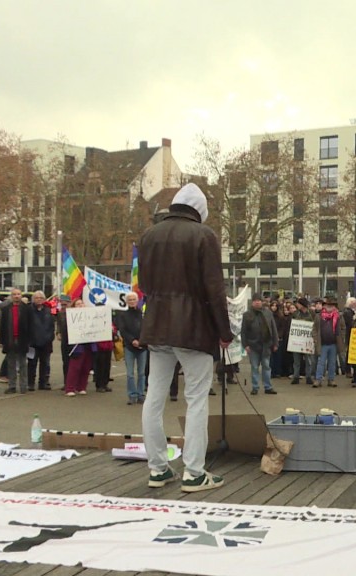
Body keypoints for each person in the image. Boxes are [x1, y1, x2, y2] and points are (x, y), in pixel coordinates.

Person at [139, 183, 233, 493]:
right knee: (196, 400)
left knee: (154, 397)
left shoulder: (149, 235)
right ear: (200, 212)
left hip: (157, 325)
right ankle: (194, 471)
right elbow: (214, 290)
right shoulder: (203, 236)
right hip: (193, 330)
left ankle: (157, 468)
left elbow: (145, 284)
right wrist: (224, 332)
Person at [241, 293, 279, 395]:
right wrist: (245, 345)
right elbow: (243, 331)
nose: (257, 302)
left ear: (262, 302)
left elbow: (273, 329)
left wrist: (275, 343)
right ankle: (255, 387)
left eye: (259, 300)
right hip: (253, 346)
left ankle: (268, 387)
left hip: (266, 345)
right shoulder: (247, 315)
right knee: (254, 367)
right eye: (255, 300)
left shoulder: (268, 313)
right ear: (252, 302)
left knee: (266, 366)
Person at [0, 288, 32, 394]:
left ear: (21, 296)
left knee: (23, 364)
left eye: (18, 294)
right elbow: (2, 326)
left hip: (23, 339)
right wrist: (1, 340)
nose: (16, 296)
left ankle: (23, 386)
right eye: (14, 294)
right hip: (9, 339)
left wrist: (30, 340)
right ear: (11, 296)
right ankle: (12, 386)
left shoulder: (27, 309)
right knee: (11, 364)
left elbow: (31, 326)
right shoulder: (6, 309)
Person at [117, 291, 147, 405]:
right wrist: (132, 340)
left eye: (134, 299)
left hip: (142, 347)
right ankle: (132, 395)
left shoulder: (142, 314)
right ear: (126, 302)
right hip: (129, 347)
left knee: (141, 373)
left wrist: (141, 341)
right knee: (130, 374)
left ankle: (140, 394)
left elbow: (146, 328)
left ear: (137, 300)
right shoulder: (123, 315)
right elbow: (123, 330)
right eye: (130, 300)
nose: (132, 301)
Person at [63, 298, 95, 397]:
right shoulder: (70, 317)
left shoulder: (90, 316)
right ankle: (70, 388)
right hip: (76, 345)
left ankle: (81, 387)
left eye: (82, 303)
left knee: (86, 367)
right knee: (75, 367)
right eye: (78, 304)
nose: (80, 305)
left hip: (88, 344)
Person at [313, 297, 346, 388]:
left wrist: (341, 337)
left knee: (332, 363)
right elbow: (315, 329)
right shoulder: (319, 316)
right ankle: (318, 379)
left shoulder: (338, 316)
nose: (329, 307)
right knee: (321, 362)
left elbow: (343, 328)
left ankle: (331, 379)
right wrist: (315, 338)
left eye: (332, 305)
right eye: (328, 305)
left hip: (334, 343)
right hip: (322, 343)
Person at [27, 291, 55, 392]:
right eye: (36, 298)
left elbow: (52, 326)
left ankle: (43, 382)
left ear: (44, 299)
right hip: (31, 343)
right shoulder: (28, 310)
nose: (39, 299)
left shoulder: (48, 311)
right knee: (31, 363)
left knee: (45, 363)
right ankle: (30, 383)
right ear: (33, 299)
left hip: (46, 343)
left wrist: (50, 337)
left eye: (41, 298)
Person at [290, 297, 316, 386]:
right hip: (297, 339)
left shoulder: (312, 313)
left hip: (308, 339)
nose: (297, 305)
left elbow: (315, 324)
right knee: (296, 360)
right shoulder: (295, 314)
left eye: (298, 304)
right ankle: (296, 377)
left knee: (308, 359)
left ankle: (308, 377)